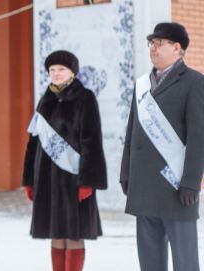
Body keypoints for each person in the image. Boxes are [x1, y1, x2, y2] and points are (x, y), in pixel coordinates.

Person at [120, 22, 204, 271]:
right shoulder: (142, 85)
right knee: (150, 261)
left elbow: (199, 136)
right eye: (151, 44)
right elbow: (132, 133)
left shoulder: (194, 82)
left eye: (159, 43)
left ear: (177, 48)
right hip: (145, 186)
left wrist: (191, 181)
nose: (153, 49)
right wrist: (127, 173)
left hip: (177, 187)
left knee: (185, 261)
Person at [22, 50, 107, 271]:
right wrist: (30, 179)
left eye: (61, 69)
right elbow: (33, 143)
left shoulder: (85, 98)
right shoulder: (45, 100)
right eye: (52, 70)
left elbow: (92, 141)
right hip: (48, 180)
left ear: (72, 72)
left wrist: (88, 181)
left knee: (74, 235)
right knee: (56, 235)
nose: (56, 74)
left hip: (74, 180)